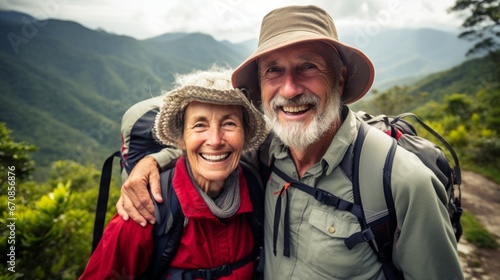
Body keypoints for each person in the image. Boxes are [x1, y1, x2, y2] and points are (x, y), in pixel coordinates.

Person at [117, 5, 464, 279]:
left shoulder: (402, 183)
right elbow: (214, 146)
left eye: (308, 67)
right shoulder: (266, 149)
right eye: (274, 71)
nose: (289, 89)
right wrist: (157, 161)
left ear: (340, 78)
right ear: (260, 85)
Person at [81, 67, 269, 279]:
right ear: (181, 139)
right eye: (199, 125)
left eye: (229, 123)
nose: (215, 140)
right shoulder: (145, 209)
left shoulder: (257, 190)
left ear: (244, 136)